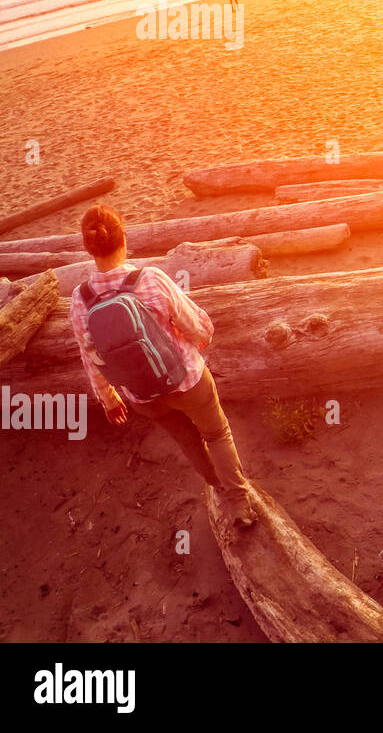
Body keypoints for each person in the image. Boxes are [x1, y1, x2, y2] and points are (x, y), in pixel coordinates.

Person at [70, 205, 257, 527]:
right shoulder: (150, 279)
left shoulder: (81, 299)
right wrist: (202, 339)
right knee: (216, 433)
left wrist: (110, 398)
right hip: (187, 379)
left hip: (144, 397)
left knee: (188, 441)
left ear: (88, 248)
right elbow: (195, 325)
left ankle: (217, 488)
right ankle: (239, 500)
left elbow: (90, 356)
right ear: (123, 240)